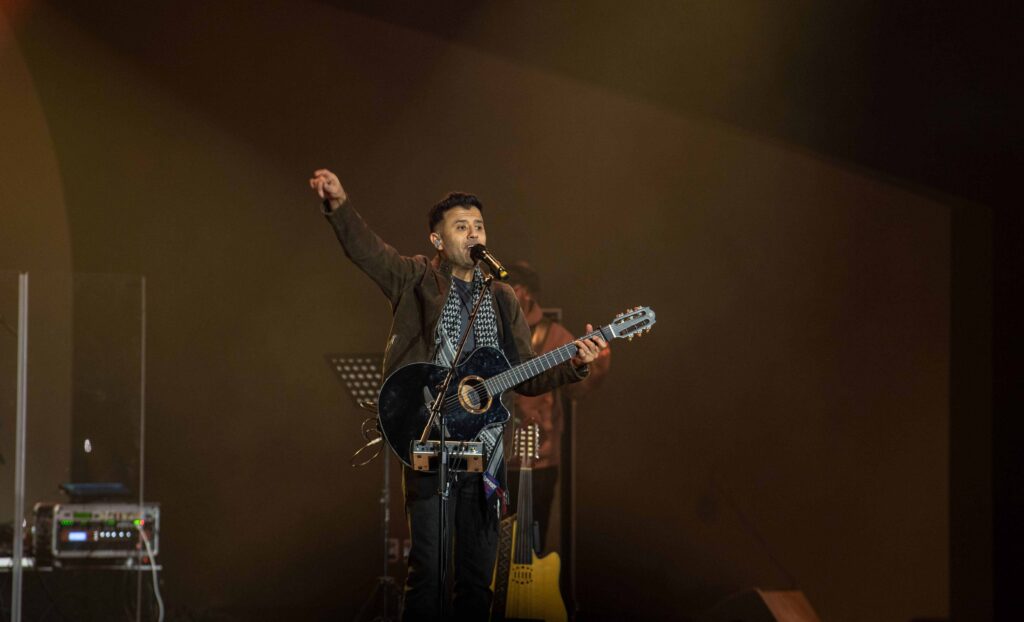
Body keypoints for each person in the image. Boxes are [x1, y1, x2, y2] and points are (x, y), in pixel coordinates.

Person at [308, 169, 608, 621]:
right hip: (429, 440)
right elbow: (368, 252)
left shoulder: (503, 298)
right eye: (461, 226)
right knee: (427, 573)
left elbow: (526, 375)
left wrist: (576, 363)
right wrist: (339, 205)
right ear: (437, 239)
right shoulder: (416, 278)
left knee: (476, 579)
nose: (474, 234)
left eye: (479, 226)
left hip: (486, 453)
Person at [505, 261, 611, 553]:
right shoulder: (492, 328)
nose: (500, 294)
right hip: (494, 457)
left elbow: (576, 391)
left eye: (510, 288)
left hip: (538, 458)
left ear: (525, 292)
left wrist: (596, 370)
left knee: (530, 547)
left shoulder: (556, 337)